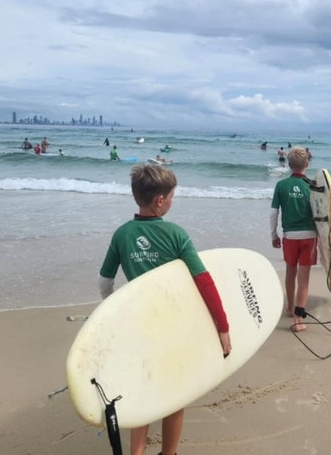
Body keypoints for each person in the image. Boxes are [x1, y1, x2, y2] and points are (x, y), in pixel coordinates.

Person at [98, 164, 231, 455]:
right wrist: (223, 328)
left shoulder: (122, 234)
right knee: (174, 396)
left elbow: (104, 281)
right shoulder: (175, 235)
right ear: (160, 200)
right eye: (172, 196)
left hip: (138, 327)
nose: (173, 200)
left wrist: (114, 311)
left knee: (143, 390)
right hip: (172, 328)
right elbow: (204, 282)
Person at [269, 146, 316, 332]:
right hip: (309, 237)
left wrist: (274, 235)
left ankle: (290, 307)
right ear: (307, 164)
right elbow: (322, 212)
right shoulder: (312, 185)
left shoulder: (281, 185)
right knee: (304, 279)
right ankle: (298, 318)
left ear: (289, 165)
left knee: (290, 271)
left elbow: (273, 213)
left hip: (289, 237)